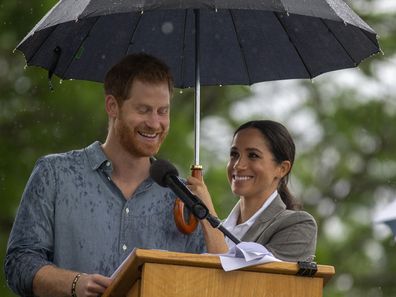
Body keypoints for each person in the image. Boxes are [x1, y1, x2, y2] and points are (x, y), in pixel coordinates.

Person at [4, 53, 205, 297]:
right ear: (112, 106)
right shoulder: (54, 174)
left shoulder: (186, 200)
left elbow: (205, 281)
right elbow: (18, 264)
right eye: (144, 110)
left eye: (163, 111)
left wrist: (208, 212)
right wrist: (74, 283)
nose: (155, 123)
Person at [187, 120, 317, 262]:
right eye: (234, 154)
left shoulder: (297, 225)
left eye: (253, 155)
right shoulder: (217, 228)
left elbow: (236, 280)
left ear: (282, 169)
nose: (238, 165)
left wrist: (206, 215)